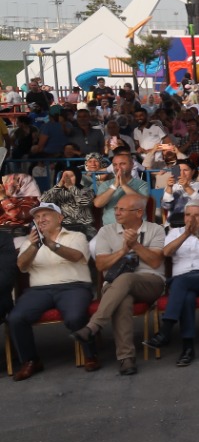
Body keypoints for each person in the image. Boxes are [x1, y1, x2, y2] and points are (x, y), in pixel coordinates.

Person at [75, 195, 167, 375]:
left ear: (139, 212)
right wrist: (124, 250)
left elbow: (156, 262)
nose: (116, 212)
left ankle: (94, 326)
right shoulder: (106, 231)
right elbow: (101, 265)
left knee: (126, 279)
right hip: (115, 285)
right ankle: (126, 359)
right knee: (123, 300)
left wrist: (136, 245)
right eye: (116, 209)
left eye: (122, 209)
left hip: (150, 281)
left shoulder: (155, 229)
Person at [8, 202, 93, 381]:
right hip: (40, 290)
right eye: (37, 217)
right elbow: (21, 265)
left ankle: (90, 355)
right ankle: (31, 361)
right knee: (16, 318)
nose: (41, 220)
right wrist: (33, 246)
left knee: (75, 316)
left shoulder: (76, 236)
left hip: (74, 286)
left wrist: (51, 244)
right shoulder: (29, 241)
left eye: (45, 215)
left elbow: (76, 256)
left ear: (60, 218)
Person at [151, 201, 199, 366]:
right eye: (187, 215)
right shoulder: (174, 232)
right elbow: (166, 252)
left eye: (196, 215)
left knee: (181, 283)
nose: (191, 219)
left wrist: (198, 233)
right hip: (182, 280)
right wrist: (185, 234)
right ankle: (188, 348)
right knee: (187, 297)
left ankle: (166, 329)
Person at [91, 150, 150, 228]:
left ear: (132, 165)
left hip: (135, 228)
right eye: (115, 165)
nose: (118, 168)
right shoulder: (106, 184)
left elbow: (142, 203)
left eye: (122, 164)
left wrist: (124, 185)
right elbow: (98, 204)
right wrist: (115, 186)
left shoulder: (142, 184)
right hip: (110, 228)